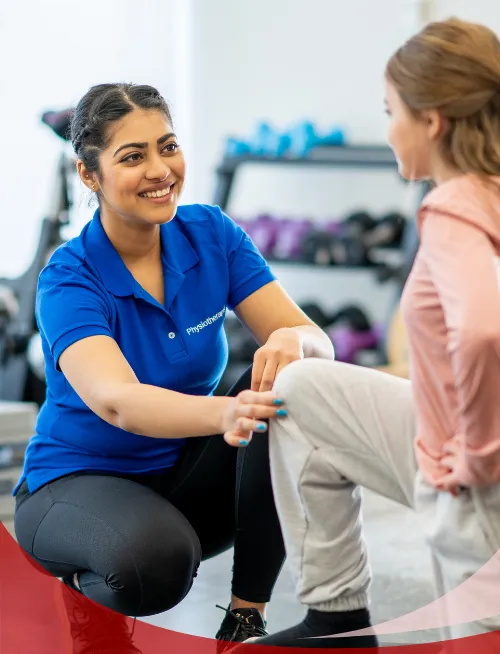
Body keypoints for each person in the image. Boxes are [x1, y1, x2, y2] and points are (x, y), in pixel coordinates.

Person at [12, 82, 334, 652]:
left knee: (292, 387)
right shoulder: (69, 278)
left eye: (168, 147)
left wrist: (296, 340)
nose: (160, 170)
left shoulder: (211, 234)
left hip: (180, 483)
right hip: (74, 487)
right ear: (89, 175)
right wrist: (227, 413)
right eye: (133, 157)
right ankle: (88, 605)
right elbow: (118, 401)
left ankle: (244, 623)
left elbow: (318, 344)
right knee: (156, 564)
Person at [240, 17, 500, 650]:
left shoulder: (454, 206)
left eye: (391, 112)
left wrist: (478, 455)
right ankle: (337, 621)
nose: (388, 130)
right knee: (302, 392)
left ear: (431, 120)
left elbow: (483, 332)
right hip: (446, 430)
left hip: (477, 474)